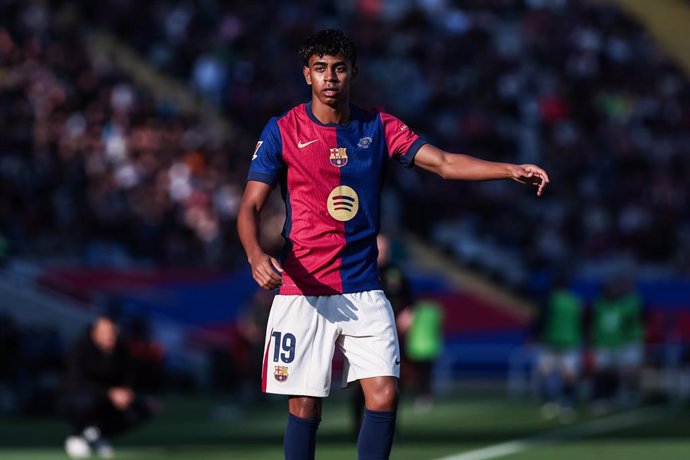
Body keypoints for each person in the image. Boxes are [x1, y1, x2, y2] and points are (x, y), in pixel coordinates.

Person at [237, 29, 549, 460]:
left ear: (353, 74)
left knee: (383, 394)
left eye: (340, 69)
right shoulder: (282, 130)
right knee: (305, 405)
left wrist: (508, 169)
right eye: (321, 69)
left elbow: (442, 163)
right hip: (303, 290)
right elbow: (250, 205)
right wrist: (256, 255)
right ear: (307, 74)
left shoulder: (379, 126)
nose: (331, 78)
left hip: (365, 286)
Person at [58, 316, 154, 459]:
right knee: (86, 401)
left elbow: (131, 376)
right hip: (79, 399)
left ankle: (94, 435)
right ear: (94, 333)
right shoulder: (80, 349)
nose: (110, 336)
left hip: (111, 401)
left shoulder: (122, 351)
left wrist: (128, 392)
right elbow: (77, 381)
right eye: (105, 332)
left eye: (113, 331)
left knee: (143, 408)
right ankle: (78, 434)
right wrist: (109, 393)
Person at [530, 274, 584, 423]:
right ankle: (568, 404)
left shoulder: (549, 300)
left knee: (543, 372)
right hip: (571, 341)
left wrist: (533, 336)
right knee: (569, 375)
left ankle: (549, 403)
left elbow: (540, 320)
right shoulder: (575, 301)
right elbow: (583, 321)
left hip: (551, 342)